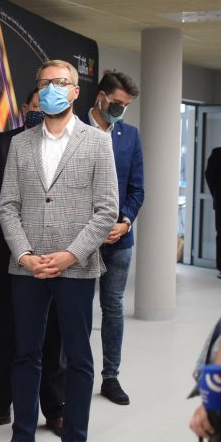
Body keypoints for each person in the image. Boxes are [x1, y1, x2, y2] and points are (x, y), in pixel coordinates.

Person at [0, 59, 119, 442]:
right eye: (45, 82)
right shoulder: (20, 143)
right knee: (25, 354)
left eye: (61, 82)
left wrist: (70, 254)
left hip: (76, 268)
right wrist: (24, 254)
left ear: (75, 91)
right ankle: (22, 437)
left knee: (78, 357)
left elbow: (106, 210)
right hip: (28, 267)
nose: (52, 89)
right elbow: (7, 206)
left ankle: (73, 441)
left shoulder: (97, 141)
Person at [0, 88, 65, 436]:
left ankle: (54, 409)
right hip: (1, 254)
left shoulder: (67, 148)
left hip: (50, 257)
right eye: (38, 105)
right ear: (25, 108)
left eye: (50, 106)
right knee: (3, 335)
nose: (43, 111)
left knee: (51, 337)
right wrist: (12, 216)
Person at [81, 70, 144, 405]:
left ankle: (111, 377)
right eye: (117, 102)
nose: (121, 109)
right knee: (76, 309)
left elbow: (137, 189)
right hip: (79, 240)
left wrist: (126, 222)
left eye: (126, 105)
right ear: (101, 97)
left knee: (113, 308)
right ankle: (74, 376)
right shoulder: (74, 129)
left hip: (118, 241)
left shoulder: (129, 136)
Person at [205, 145, 221, 279]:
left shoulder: (218, 153)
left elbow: (209, 176)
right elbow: (209, 176)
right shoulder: (218, 153)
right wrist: (217, 194)